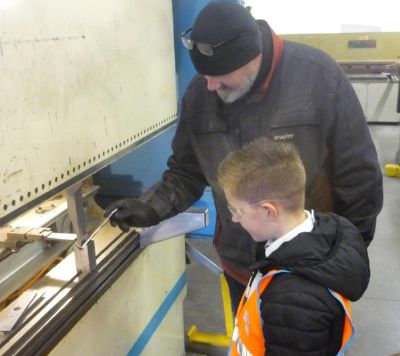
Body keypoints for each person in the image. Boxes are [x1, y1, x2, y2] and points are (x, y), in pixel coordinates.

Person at [105, 1, 382, 312]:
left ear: (252, 57)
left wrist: (345, 254)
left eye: (220, 75)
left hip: (309, 270)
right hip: (242, 267)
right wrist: (151, 208)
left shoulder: (319, 77)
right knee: (249, 341)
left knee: (303, 340)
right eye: (205, 75)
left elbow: (359, 176)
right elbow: (186, 171)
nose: (210, 86)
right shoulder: (200, 94)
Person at [217, 137, 369, 356]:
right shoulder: (319, 233)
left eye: (238, 210)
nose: (234, 218)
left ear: (269, 211)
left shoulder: (294, 302)